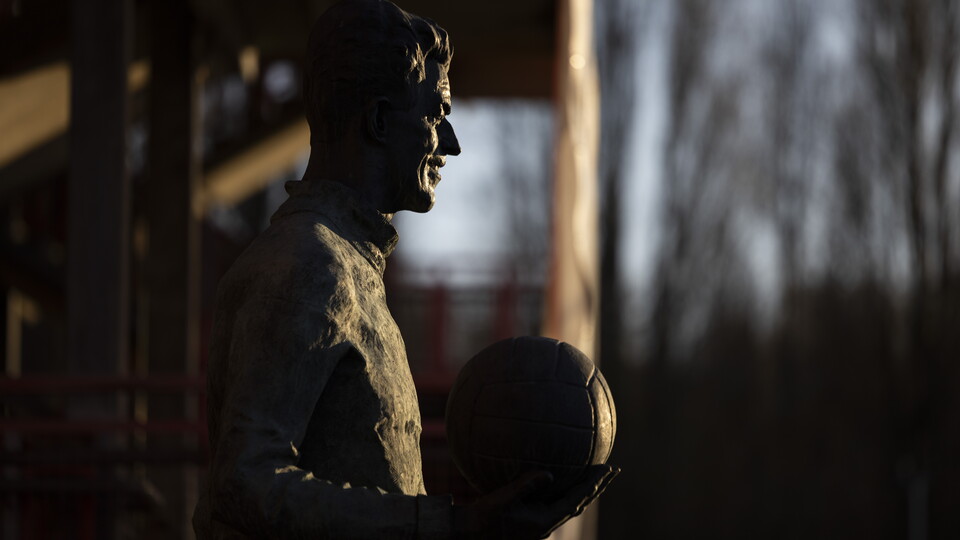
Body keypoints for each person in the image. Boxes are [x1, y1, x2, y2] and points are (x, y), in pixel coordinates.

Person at [192, 1, 617, 538]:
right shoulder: (309, 267)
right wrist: (450, 526)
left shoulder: (346, 267)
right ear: (377, 121)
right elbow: (243, 482)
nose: (453, 144)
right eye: (436, 115)